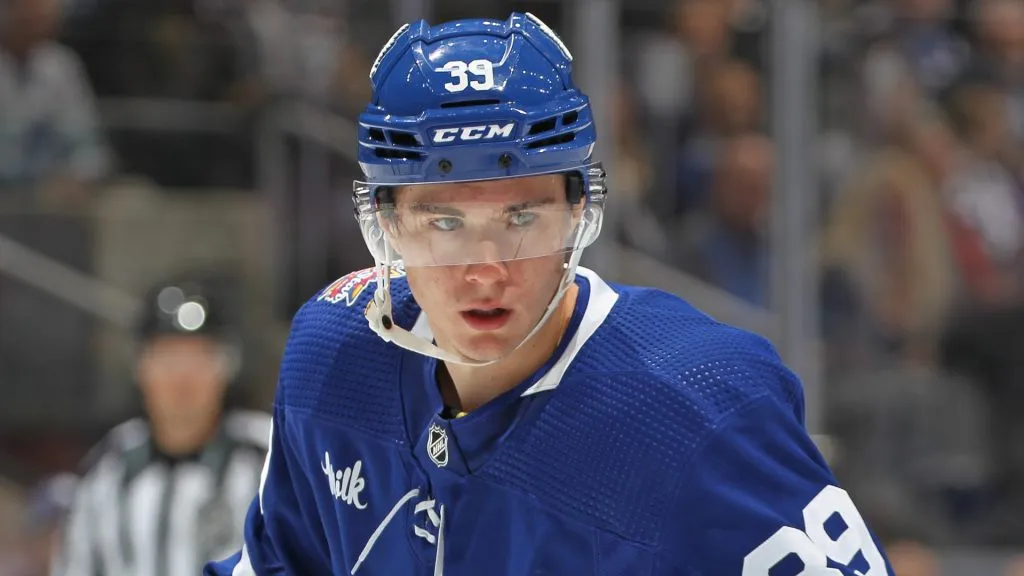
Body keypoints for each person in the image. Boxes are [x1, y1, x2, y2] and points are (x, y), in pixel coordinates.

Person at [207, 13, 893, 575]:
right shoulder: (333, 357)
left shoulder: (695, 407)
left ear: (577, 214)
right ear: (386, 223)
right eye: (444, 223)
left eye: (521, 219)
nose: (485, 271)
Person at [52, 273, 270, 576]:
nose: (182, 379)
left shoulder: (267, 458)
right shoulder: (110, 467)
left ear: (227, 366)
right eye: (168, 358)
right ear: (141, 366)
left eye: (198, 358)